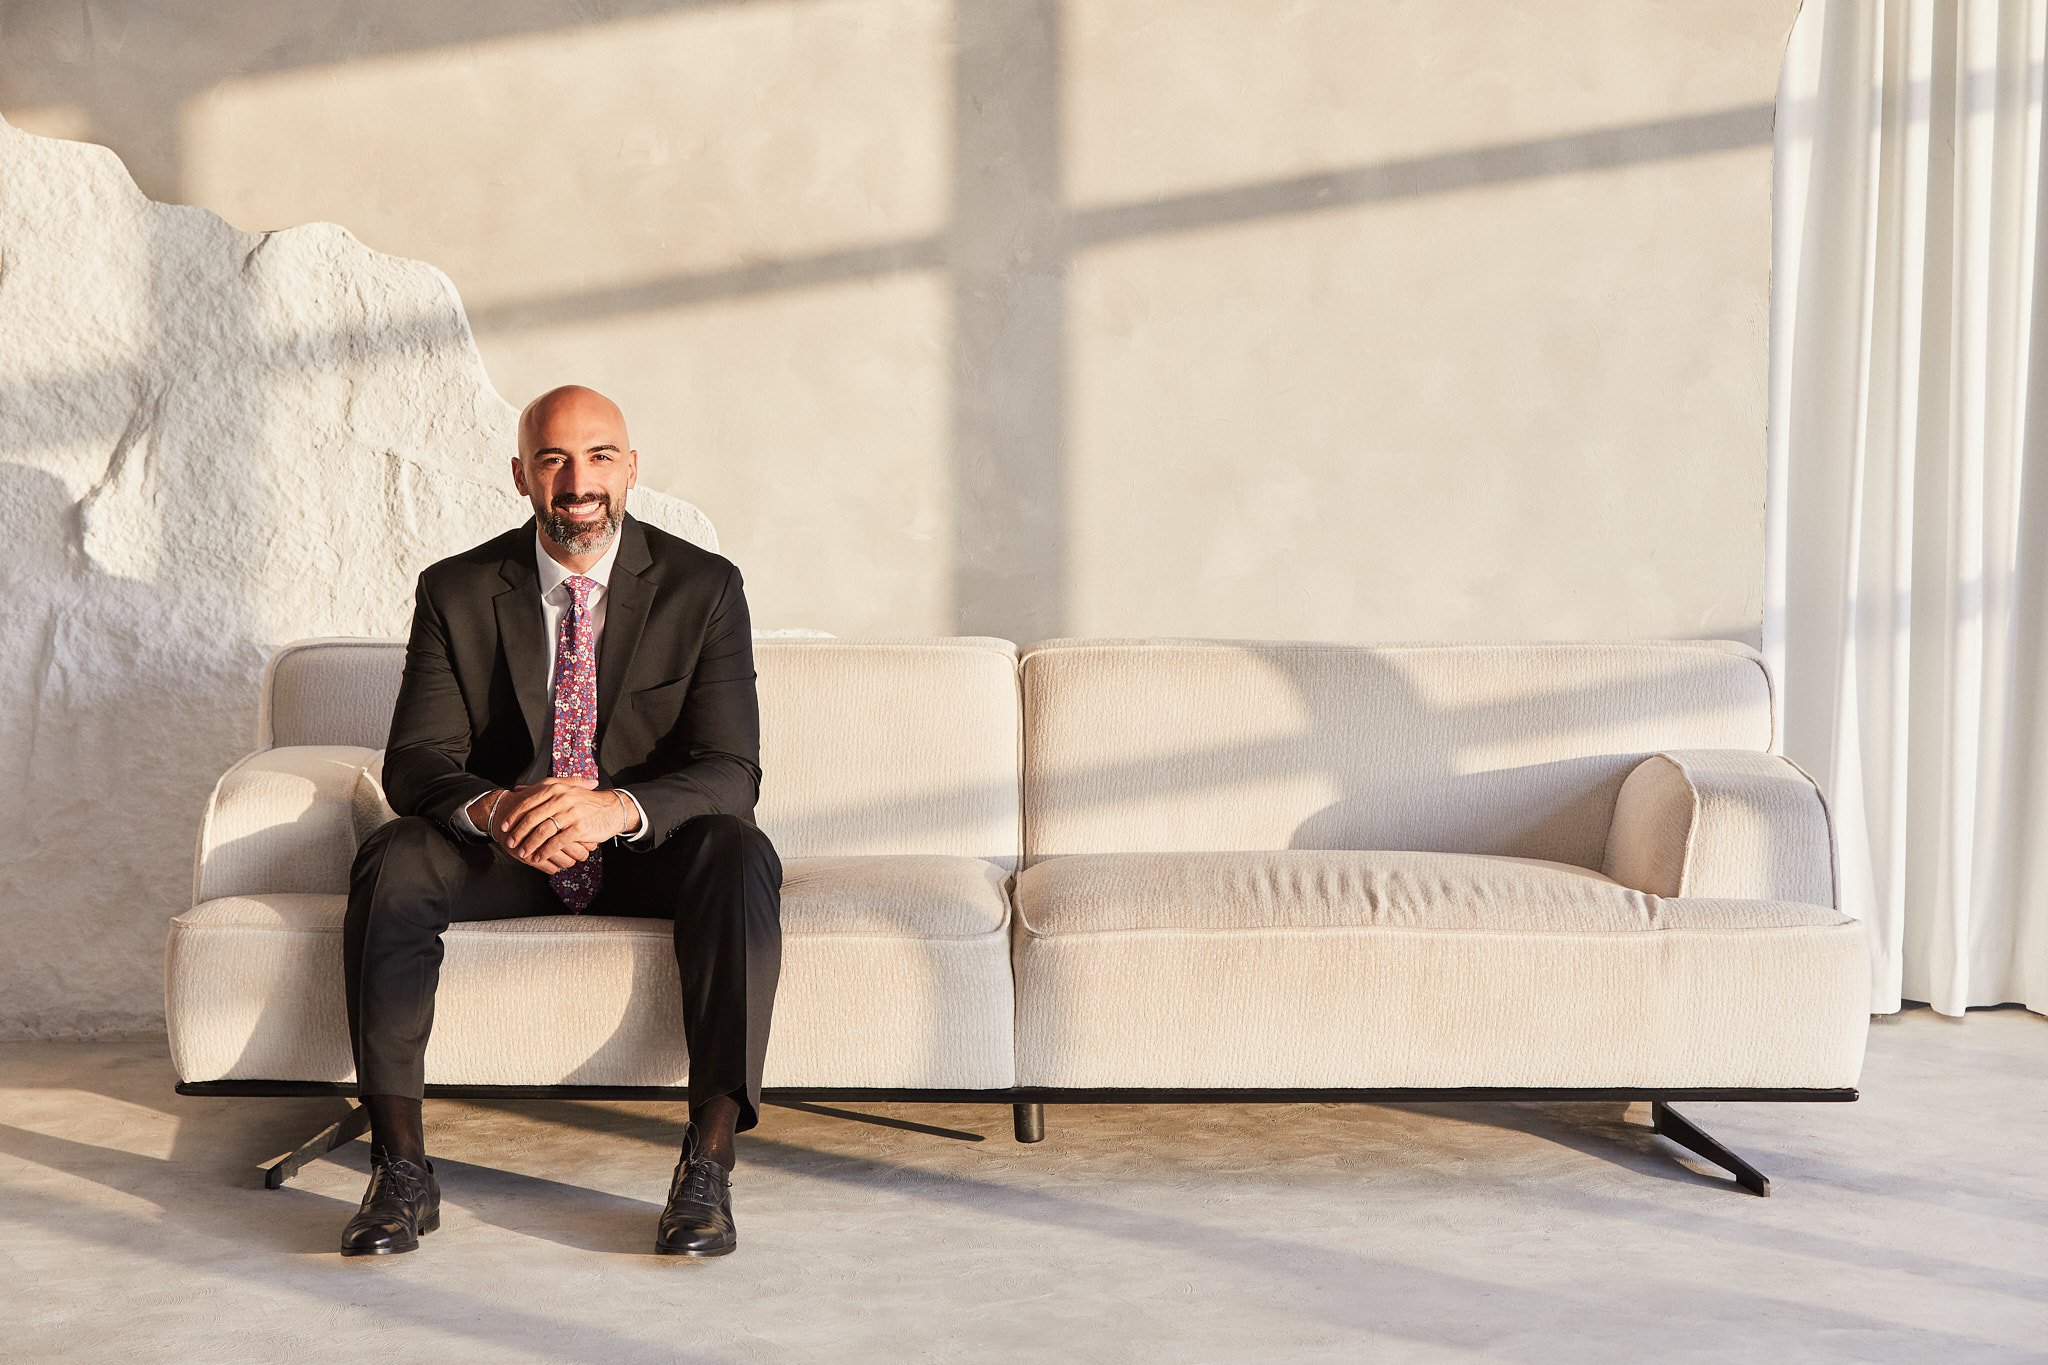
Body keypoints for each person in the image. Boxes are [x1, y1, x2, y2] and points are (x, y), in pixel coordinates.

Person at [338, 384, 782, 1258]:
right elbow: (417, 760)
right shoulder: (456, 590)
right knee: (393, 855)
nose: (579, 481)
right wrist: (501, 807)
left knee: (739, 854)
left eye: (600, 456)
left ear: (631, 468)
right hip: (507, 850)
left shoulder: (705, 587)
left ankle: (709, 1165)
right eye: (553, 459)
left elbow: (731, 771)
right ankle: (400, 1169)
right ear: (520, 475)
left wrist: (616, 806)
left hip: (641, 850)